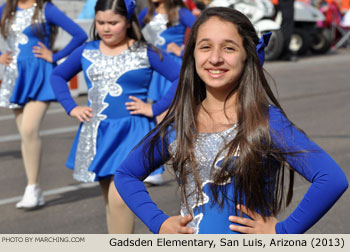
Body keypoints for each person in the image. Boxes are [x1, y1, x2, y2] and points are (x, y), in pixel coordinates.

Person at [114, 7, 348, 234]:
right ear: (193, 54)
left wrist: (284, 231)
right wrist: (159, 223)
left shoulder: (265, 121)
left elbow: (331, 179)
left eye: (229, 48)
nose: (215, 58)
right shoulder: (181, 122)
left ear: (247, 55)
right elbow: (126, 174)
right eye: (205, 47)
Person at [50, 0, 181, 233]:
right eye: (100, 22)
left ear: (128, 23)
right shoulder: (87, 50)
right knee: (111, 205)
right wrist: (72, 107)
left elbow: (182, 77)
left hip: (133, 131)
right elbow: (58, 75)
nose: (106, 28)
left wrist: (155, 108)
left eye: (113, 22)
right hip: (98, 132)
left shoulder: (145, 51)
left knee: (121, 199)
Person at [0, 0, 87, 209]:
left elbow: (80, 35)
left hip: (40, 74)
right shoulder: (6, 8)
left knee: (29, 129)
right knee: (25, 134)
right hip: (15, 76)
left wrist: (55, 56)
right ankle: (35, 188)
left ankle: (31, 186)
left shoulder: (46, 9)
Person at [138, 0, 196, 184]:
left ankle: (188, 163)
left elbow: (204, 34)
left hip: (174, 71)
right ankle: (157, 169)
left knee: (176, 119)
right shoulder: (147, 13)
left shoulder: (180, 12)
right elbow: (130, 31)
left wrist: (183, 49)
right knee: (160, 122)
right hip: (155, 71)